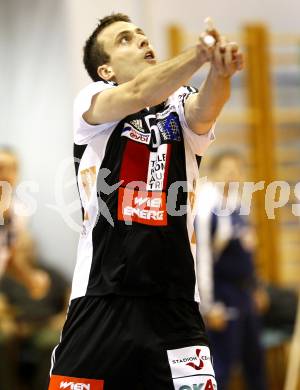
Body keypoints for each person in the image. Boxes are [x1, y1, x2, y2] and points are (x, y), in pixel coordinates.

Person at [48, 13, 243, 390]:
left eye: (141, 34)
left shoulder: (178, 102)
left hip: (174, 302)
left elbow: (205, 111)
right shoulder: (91, 103)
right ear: (105, 70)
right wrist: (200, 54)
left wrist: (220, 72)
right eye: (124, 39)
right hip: (103, 296)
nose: (140, 40)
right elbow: (138, 93)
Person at [195, 151, 267, 390]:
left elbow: (248, 250)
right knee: (222, 366)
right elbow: (202, 259)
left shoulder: (238, 204)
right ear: (213, 174)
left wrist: (256, 287)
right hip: (223, 295)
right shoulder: (206, 208)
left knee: (255, 362)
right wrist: (209, 306)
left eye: (236, 170)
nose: (232, 175)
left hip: (245, 294)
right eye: (226, 170)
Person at [0, 147, 49, 298]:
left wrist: (30, 279)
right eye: (1, 168)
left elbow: (9, 259)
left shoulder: (19, 214)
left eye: (13, 168)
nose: (7, 174)